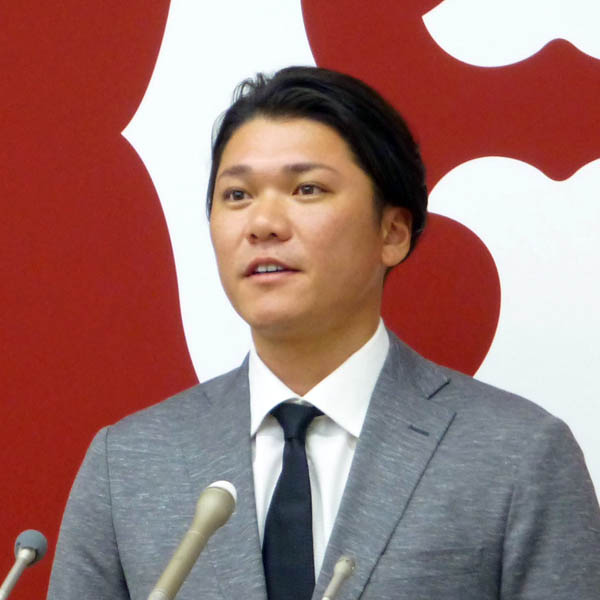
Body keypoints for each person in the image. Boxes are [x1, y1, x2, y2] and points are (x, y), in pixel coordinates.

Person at [47, 66, 600, 600]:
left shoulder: (519, 456)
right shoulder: (128, 462)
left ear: (393, 232)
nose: (263, 224)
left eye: (307, 189)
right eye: (237, 195)